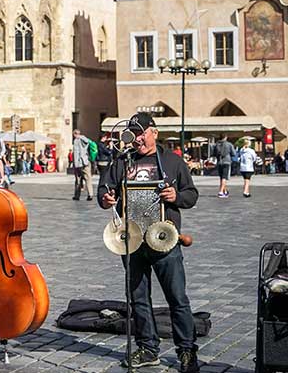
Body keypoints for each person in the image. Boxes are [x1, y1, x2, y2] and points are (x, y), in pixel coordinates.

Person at [97, 113, 201, 373]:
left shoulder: (172, 161)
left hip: (164, 238)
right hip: (131, 240)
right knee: (138, 299)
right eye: (134, 133)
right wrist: (106, 199)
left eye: (142, 132)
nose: (138, 138)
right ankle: (147, 348)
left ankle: (186, 350)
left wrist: (176, 196)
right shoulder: (122, 161)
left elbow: (192, 195)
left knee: (177, 297)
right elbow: (103, 190)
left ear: (154, 132)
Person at [72, 129, 94, 201]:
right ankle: (90, 194)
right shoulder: (86, 140)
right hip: (86, 162)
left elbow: (76, 153)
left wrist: (75, 164)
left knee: (78, 180)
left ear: (74, 134)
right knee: (88, 179)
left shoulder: (76, 141)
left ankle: (77, 195)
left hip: (79, 163)